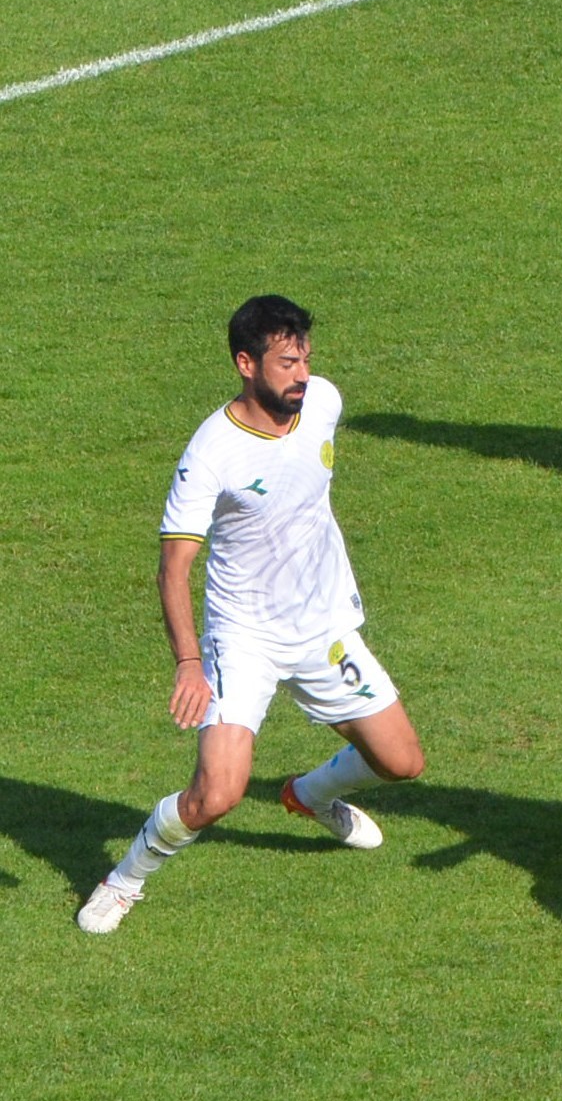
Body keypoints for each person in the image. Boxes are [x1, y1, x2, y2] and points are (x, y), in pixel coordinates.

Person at [77, 295, 425, 934]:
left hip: (322, 627)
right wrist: (189, 662)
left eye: (307, 359)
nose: (303, 375)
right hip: (244, 639)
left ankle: (309, 795)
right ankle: (123, 881)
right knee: (216, 795)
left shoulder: (323, 403)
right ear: (245, 363)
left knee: (402, 762)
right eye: (287, 363)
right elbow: (173, 568)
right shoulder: (213, 451)